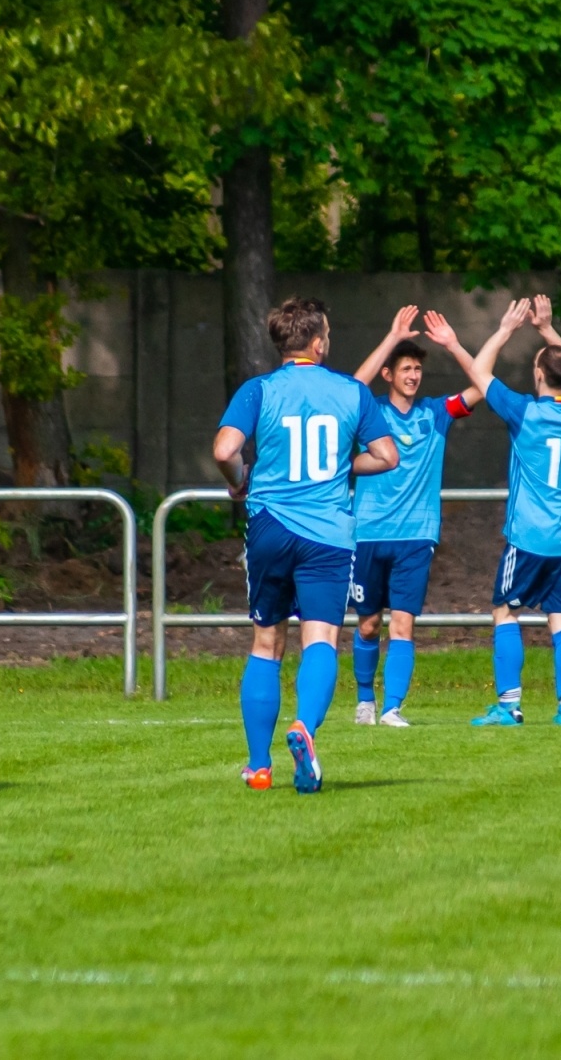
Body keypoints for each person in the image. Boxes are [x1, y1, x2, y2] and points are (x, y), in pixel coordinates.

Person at [213, 298, 399, 794]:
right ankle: (305, 730)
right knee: (321, 640)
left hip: (271, 526)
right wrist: (342, 467)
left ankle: (258, 767)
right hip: (327, 535)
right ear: (317, 343)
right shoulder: (351, 392)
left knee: (266, 643)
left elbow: (224, 450)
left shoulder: (260, 390)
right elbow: (387, 456)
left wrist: (240, 481)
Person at [440, 295, 561, 727]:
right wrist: (547, 330)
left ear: (539, 374)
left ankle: (509, 706)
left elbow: (480, 372)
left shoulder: (526, 412)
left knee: (506, 610)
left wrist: (505, 329)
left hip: (530, 536)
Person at [347, 305, 481, 727]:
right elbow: (350, 389)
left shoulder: (436, 413)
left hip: (416, 536)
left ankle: (392, 709)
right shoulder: (370, 413)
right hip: (367, 532)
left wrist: (454, 345)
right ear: (389, 374)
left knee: (403, 624)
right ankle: (365, 701)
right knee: (369, 626)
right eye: (405, 368)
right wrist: (390, 338)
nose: (413, 375)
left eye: (417, 369)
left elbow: (482, 387)